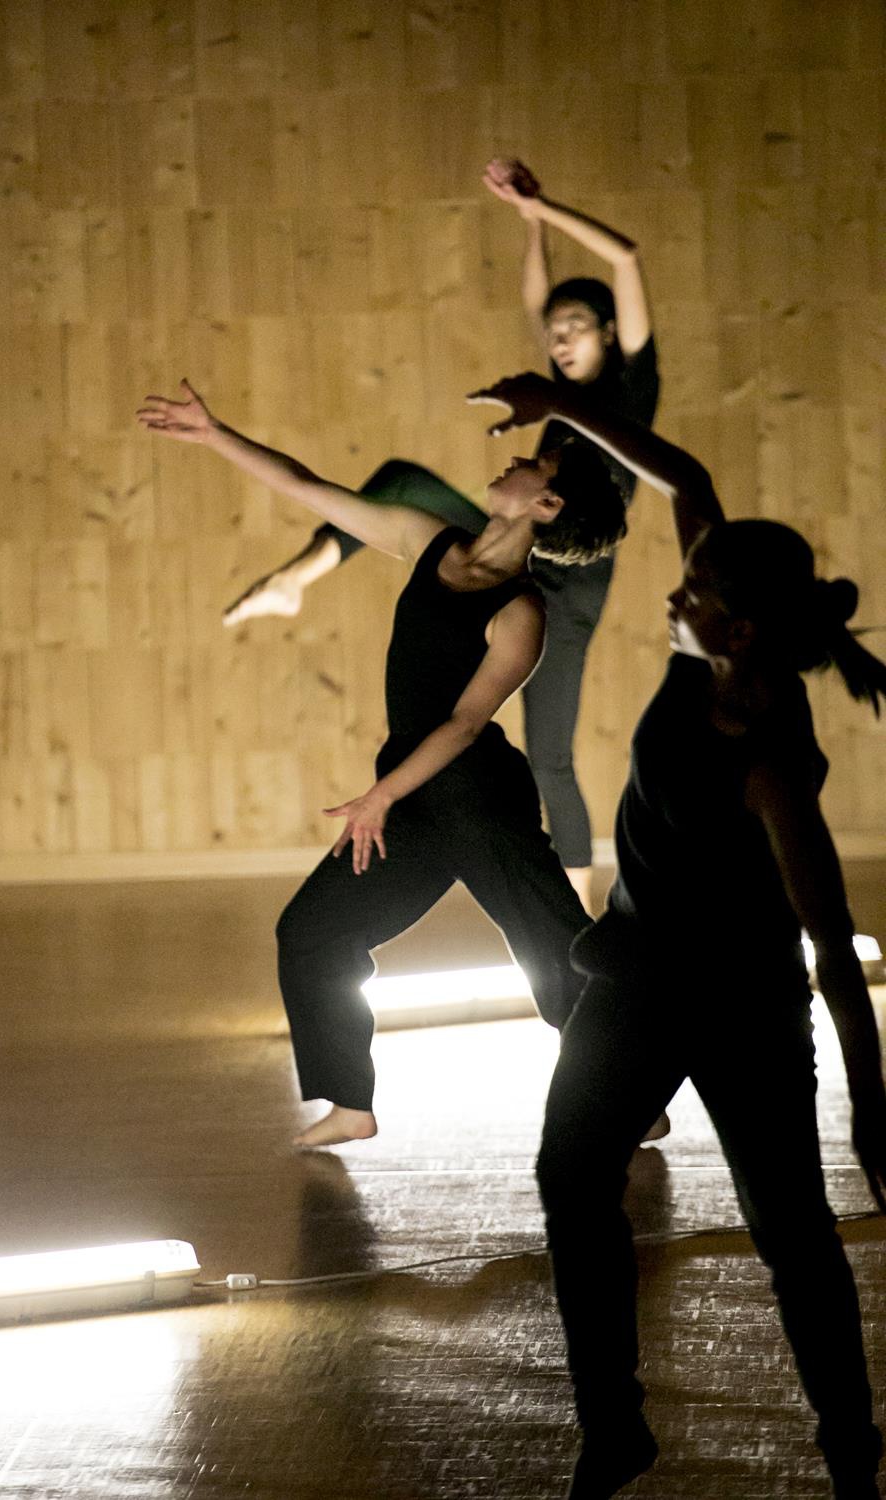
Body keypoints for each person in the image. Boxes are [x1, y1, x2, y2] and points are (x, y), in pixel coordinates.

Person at [471, 372, 886, 1499]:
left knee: (790, 1231)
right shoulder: (708, 645)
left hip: (741, 1006)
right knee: (571, 1177)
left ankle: (853, 1455)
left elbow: (833, 940)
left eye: (692, 589)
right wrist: (558, 403)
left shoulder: (766, 759)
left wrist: (871, 1106)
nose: (674, 589)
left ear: (738, 628)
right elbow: (688, 476)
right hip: (633, 982)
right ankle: (615, 1430)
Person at [137, 379, 626, 1148]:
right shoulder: (429, 541)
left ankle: (633, 1094)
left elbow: (466, 724)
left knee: (557, 954)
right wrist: (214, 434)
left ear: (547, 504)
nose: (515, 460)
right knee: (313, 931)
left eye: (536, 465)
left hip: (478, 802)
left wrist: (379, 797)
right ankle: (349, 1104)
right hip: (413, 795)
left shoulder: (522, 612)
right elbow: (309, 488)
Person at [222, 158, 659, 913]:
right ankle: (296, 578)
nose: (558, 338)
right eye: (553, 331)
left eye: (576, 328)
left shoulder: (630, 391)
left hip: (567, 583)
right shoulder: (555, 397)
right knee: (400, 481)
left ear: (612, 333)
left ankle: (582, 914)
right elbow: (536, 301)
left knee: (550, 754)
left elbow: (624, 257)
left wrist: (547, 208)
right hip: (511, 544)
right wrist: (527, 223)